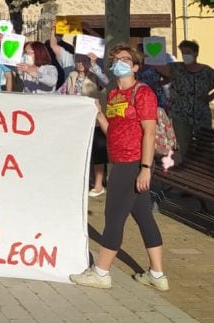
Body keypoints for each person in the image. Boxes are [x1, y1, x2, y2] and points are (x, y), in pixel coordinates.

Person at [71, 44, 168, 291]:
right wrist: (100, 115)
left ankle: (101, 272)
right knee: (144, 217)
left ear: (135, 66)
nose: (118, 63)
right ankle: (157, 275)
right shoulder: (114, 94)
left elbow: (149, 132)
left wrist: (145, 167)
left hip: (133, 163)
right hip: (121, 159)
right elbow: (113, 132)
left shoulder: (143, 93)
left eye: (125, 59)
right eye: (115, 59)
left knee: (113, 217)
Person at [154, 40, 214, 165]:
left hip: (201, 115)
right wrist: (153, 53)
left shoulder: (206, 71)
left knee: (204, 146)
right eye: (183, 52)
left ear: (196, 53)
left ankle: (203, 172)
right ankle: (184, 170)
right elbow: (160, 68)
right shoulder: (176, 68)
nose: (185, 55)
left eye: (188, 52)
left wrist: (211, 96)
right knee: (183, 146)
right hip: (181, 116)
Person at [60, 54, 108, 197]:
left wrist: (94, 65)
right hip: (77, 121)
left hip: (95, 120)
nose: (80, 63)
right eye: (78, 61)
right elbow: (62, 92)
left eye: (84, 61)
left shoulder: (95, 75)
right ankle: (83, 182)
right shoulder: (71, 75)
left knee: (98, 152)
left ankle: (99, 185)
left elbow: (106, 82)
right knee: (80, 152)